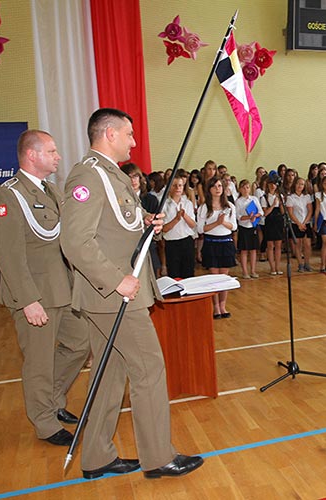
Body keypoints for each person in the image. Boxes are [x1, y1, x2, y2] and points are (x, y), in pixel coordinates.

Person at [60, 108, 203, 479]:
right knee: (149, 369)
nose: (134, 142)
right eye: (129, 135)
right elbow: (75, 241)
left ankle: (96, 456)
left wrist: (146, 221)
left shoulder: (109, 175)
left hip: (112, 295)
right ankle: (158, 457)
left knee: (109, 374)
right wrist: (114, 278)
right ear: (109, 134)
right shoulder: (88, 176)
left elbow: (115, 222)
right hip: (112, 295)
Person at [0, 129, 90, 447]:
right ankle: (45, 422)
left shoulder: (50, 191)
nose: (58, 157)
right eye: (52, 151)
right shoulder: (9, 195)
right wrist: (28, 299)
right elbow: (8, 253)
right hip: (35, 294)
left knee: (80, 342)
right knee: (39, 361)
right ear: (32, 155)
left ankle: (54, 397)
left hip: (62, 288)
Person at [197, 175, 238, 316]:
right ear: (209, 189)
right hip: (211, 243)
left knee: (224, 278)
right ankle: (215, 308)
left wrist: (223, 223)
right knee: (214, 278)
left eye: (220, 186)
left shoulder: (230, 206)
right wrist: (217, 223)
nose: (217, 189)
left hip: (226, 243)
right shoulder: (204, 207)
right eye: (214, 186)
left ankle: (223, 306)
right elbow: (200, 229)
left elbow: (233, 226)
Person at [122, 163, 162, 277]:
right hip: (127, 249)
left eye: (135, 176)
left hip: (148, 245)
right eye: (129, 177)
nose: (133, 180)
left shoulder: (151, 199)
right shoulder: (119, 200)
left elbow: (156, 229)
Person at [162, 174, 197, 279]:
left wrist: (184, 215)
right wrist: (177, 219)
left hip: (187, 241)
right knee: (174, 274)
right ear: (169, 187)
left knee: (188, 273)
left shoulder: (188, 203)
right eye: (174, 185)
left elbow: (193, 225)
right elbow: (164, 228)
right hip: (172, 244)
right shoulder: (164, 205)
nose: (178, 188)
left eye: (180, 185)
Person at [235, 179, 262, 279]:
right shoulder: (238, 201)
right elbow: (238, 216)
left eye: (247, 187)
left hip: (252, 226)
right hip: (244, 227)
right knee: (244, 250)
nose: (246, 189)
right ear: (240, 189)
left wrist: (255, 216)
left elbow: (261, 211)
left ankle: (253, 270)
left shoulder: (254, 199)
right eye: (243, 187)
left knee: (253, 250)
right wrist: (248, 217)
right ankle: (245, 271)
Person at [286, 177, 313, 272]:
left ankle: (307, 263)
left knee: (307, 244)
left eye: (302, 184)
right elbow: (291, 213)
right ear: (295, 184)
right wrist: (299, 224)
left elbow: (310, 211)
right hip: (295, 223)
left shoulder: (307, 197)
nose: (300, 186)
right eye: (298, 184)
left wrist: (304, 223)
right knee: (297, 244)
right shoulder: (290, 197)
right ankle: (300, 264)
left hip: (306, 223)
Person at [260, 174, 284, 275]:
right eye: (270, 184)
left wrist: (281, 203)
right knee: (270, 245)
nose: (273, 186)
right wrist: (273, 205)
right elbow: (265, 213)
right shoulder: (264, 197)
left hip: (278, 221)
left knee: (278, 245)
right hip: (269, 221)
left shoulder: (280, 196)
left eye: (274, 184)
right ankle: (272, 268)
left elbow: (282, 212)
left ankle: (278, 267)